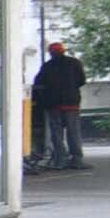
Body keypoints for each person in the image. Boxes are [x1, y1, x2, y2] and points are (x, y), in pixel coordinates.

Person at [33, 42, 89, 170]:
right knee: (73, 132)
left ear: (51, 53)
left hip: (54, 105)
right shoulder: (75, 63)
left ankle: (60, 160)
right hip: (72, 103)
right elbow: (82, 81)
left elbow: (38, 83)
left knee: (56, 134)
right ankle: (77, 160)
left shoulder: (47, 66)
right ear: (63, 51)